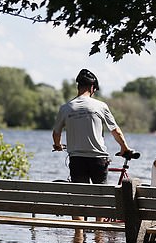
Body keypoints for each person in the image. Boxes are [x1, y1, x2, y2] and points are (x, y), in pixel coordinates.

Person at [52, 69, 133, 220]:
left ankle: (78, 238)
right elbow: (115, 131)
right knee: (100, 203)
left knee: (79, 200)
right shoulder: (100, 106)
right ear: (92, 88)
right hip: (98, 160)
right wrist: (124, 148)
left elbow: (56, 134)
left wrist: (57, 145)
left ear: (78, 86)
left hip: (77, 160)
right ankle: (98, 239)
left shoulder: (66, 108)